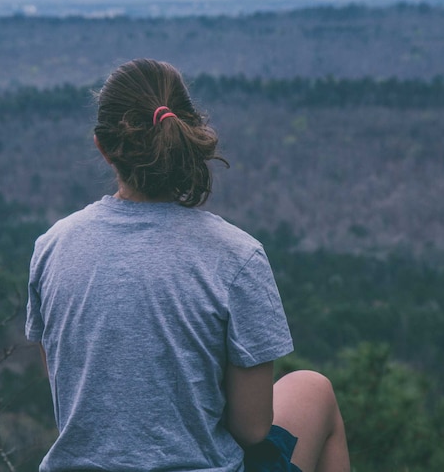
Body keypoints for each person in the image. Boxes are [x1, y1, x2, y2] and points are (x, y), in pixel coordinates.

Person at [25, 59, 349, 472]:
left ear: (102, 148)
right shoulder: (238, 256)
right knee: (314, 388)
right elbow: (251, 429)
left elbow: (68, 389)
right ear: (188, 134)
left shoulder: (51, 247)